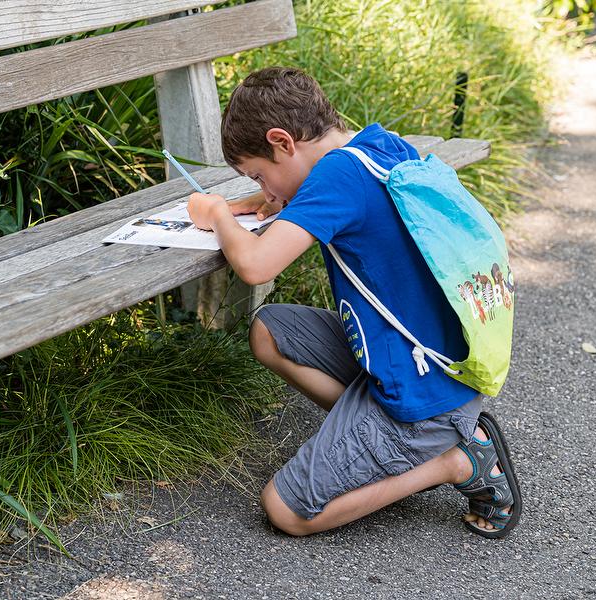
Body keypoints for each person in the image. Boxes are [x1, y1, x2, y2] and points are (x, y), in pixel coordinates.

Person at [187, 66, 521, 538]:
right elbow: (339, 199)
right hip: (427, 364)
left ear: (283, 141)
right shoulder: (372, 147)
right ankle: (377, 442)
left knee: (287, 511)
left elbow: (257, 266)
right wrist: (268, 198)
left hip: (425, 398)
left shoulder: (336, 180)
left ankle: (455, 462)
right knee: (270, 332)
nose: (265, 191)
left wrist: (218, 211)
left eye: (260, 176)